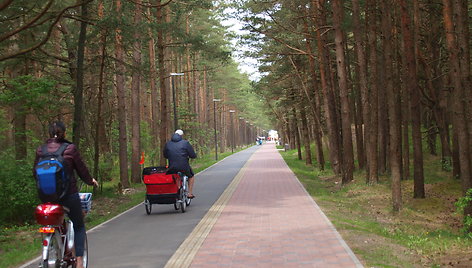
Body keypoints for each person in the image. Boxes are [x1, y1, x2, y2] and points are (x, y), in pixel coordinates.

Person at [33, 121, 98, 268]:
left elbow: (34, 173)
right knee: (79, 225)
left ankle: (54, 247)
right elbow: (81, 170)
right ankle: (80, 261)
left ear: (49, 134)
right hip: (68, 196)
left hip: (47, 198)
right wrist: (90, 181)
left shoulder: (41, 150)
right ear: (64, 133)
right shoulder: (70, 149)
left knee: (54, 221)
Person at [163, 129, 197, 199]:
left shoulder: (168, 143)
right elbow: (192, 155)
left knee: (174, 177)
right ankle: (190, 193)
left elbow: (165, 155)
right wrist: (193, 156)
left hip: (172, 167)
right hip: (184, 166)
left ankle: (175, 191)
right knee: (191, 176)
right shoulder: (185, 143)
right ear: (181, 136)